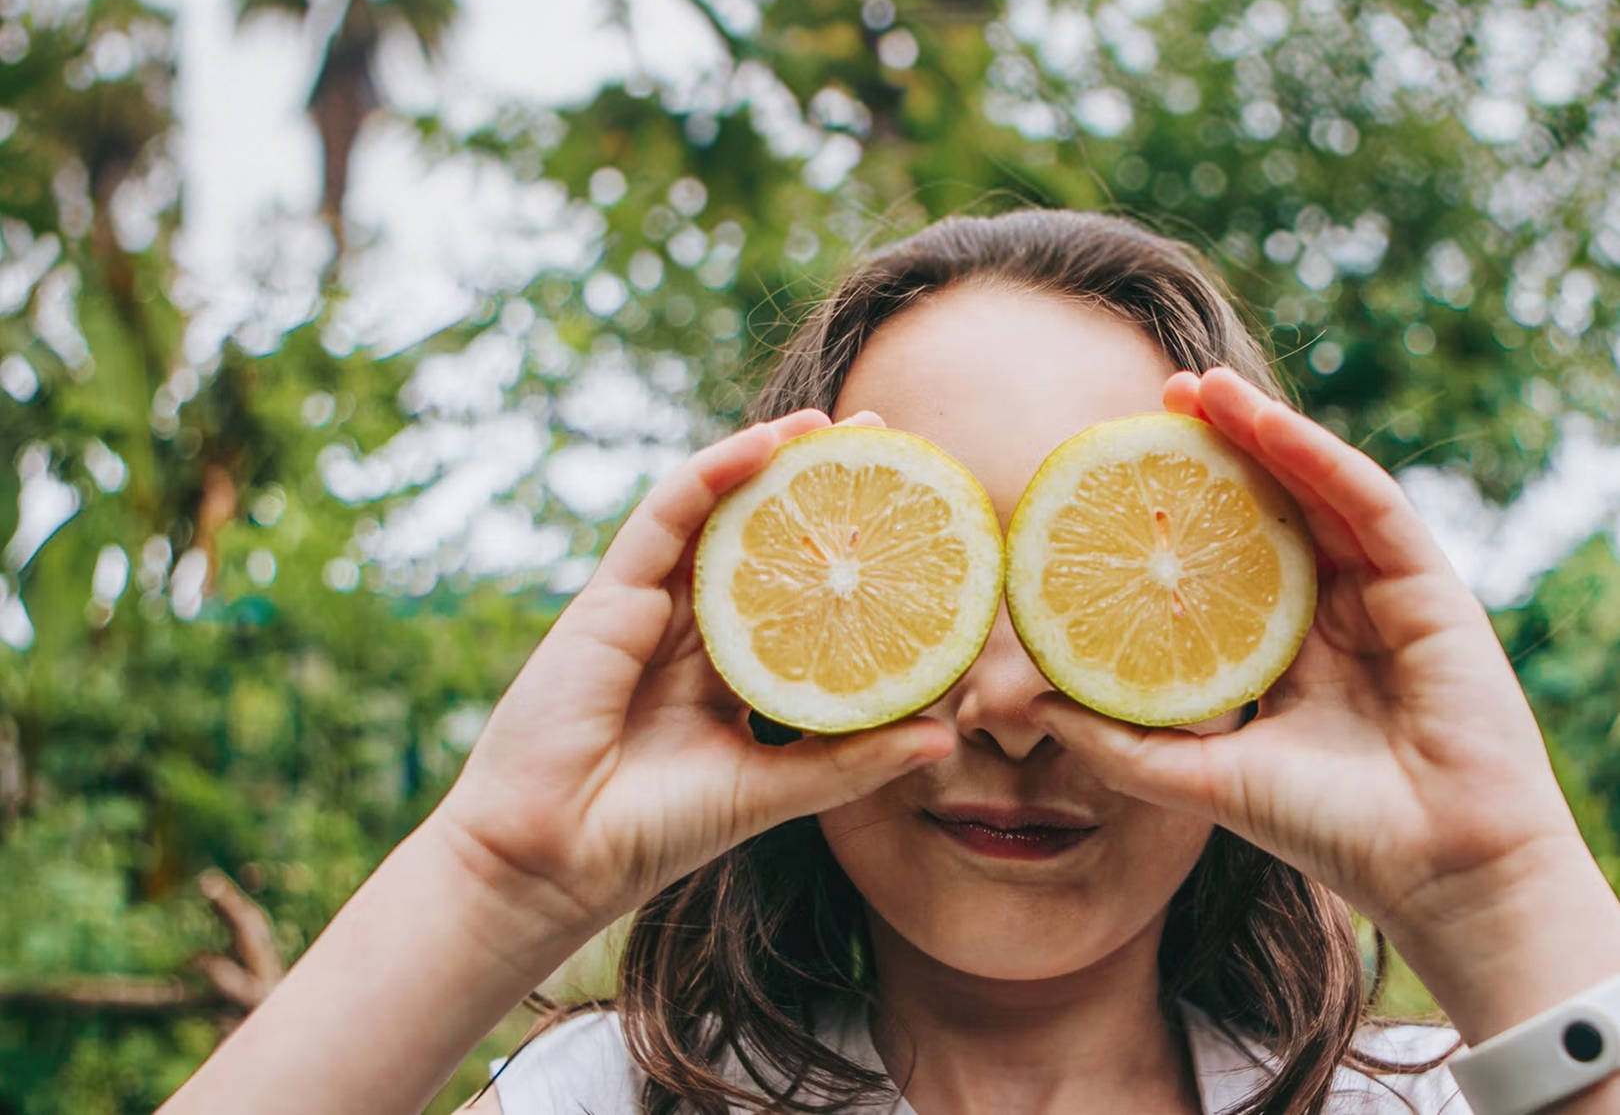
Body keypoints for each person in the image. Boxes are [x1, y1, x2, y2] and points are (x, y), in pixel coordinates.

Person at [158, 210, 1620, 1115]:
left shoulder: (1477, 1100)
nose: (1004, 705)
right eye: (936, 588)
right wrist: (498, 877)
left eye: (1091, 593)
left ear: (1258, 643)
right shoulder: (604, 1106)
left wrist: (1497, 887)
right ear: (767, 634)